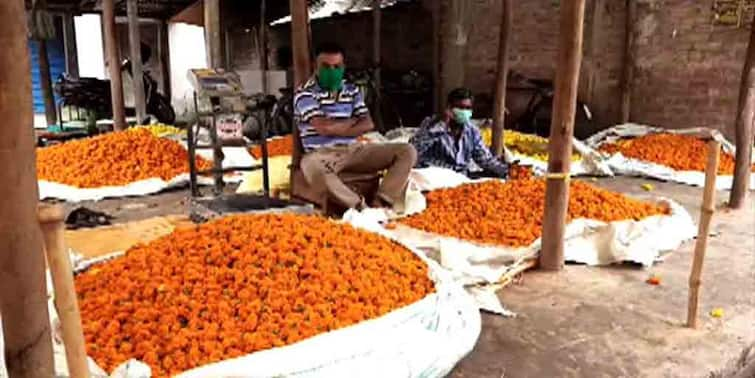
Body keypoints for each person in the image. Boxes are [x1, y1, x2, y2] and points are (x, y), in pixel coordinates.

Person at [293, 42, 416, 210]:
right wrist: (352, 122)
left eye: (336, 67)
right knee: (311, 166)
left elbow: (368, 124)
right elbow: (323, 128)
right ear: (316, 67)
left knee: (407, 151)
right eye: (326, 67)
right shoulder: (305, 94)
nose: (332, 71)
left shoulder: (352, 91)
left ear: (343, 67)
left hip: (355, 151)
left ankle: (382, 200)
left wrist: (336, 126)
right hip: (322, 154)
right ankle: (359, 206)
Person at [410, 88, 509, 178]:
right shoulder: (432, 124)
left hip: (461, 177)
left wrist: (506, 170)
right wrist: (441, 126)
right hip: (435, 176)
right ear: (449, 108)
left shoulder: (472, 131)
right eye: (461, 108)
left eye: (468, 108)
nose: (464, 111)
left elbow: (484, 159)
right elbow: (414, 150)